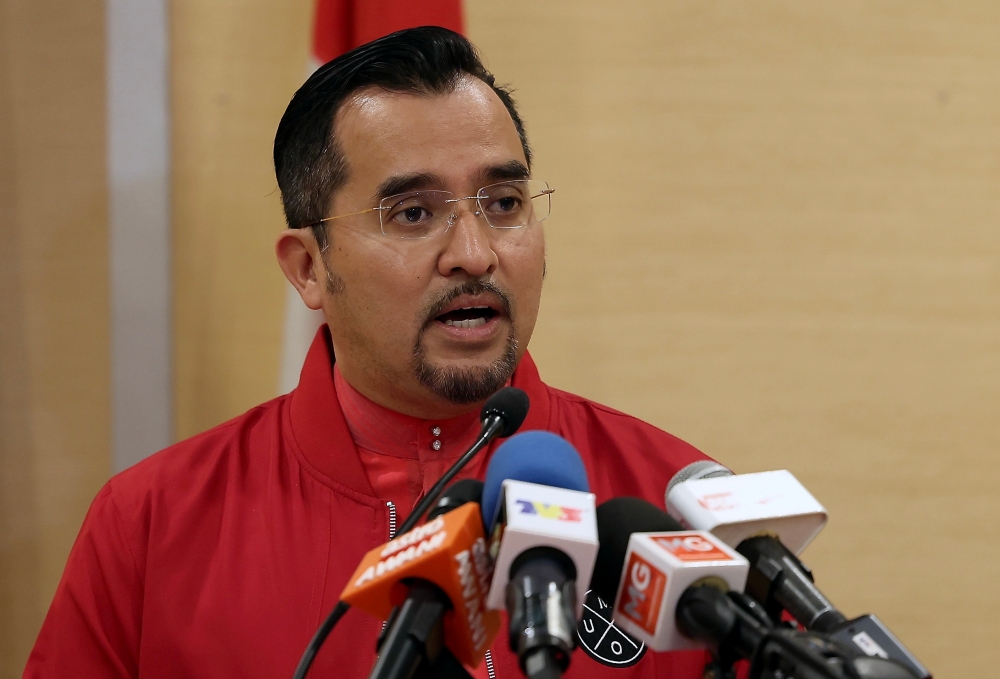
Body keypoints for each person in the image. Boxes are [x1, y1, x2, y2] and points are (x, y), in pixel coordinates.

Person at [24, 27, 714, 679]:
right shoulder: (150, 527)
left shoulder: (670, 505)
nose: (474, 253)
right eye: (413, 214)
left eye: (503, 202)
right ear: (307, 268)